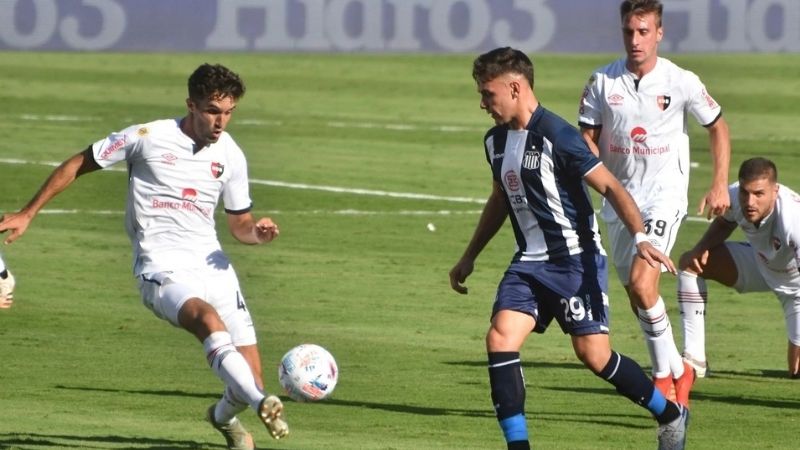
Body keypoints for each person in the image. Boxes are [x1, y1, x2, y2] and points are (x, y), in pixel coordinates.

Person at [0, 63, 288, 450]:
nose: (221, 122)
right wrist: (28, 212)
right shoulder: (147, 137)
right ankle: (262, 405)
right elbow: (79, 163)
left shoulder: (231, 155)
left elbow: (240, 224)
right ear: (191, 104)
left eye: (229, 112)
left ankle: (225, 418)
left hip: (214, 267)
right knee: (208, 321)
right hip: (162, 267)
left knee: (248, 376)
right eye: (212, 111)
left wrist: (258, 233)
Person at [449, 46, 689, 450]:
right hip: (528, 264)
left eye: (487, 94)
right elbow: (500, 198)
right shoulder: (494, 142)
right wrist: (470, 254)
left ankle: (669, 414)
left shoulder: (559, 137)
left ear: (514, 87)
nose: (482, 104)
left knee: (595, 357)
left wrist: (641, 237)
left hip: (575, 262)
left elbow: (611, 186)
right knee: (499, 339)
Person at [577, 0, 732, 394]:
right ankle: (676, 368)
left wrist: (718, 183)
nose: (635, 39)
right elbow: (587, 139)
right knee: (636, 294)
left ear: (659, 33)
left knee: (643, 284)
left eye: (644, 31)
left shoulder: (681, 81)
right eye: (629, 31)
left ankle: (666, 378)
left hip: (664, 196)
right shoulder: (602, 82)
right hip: (618, 201)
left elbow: (718, 127)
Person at [678, 157, 800, 379]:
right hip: (760, 264)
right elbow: (725, 222)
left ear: (775, 191)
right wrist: (701, 248)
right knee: (690, 262)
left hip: (796, 287)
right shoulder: (735, 196)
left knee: (796, 372)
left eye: (759, 194)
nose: (750, 202)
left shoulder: (794, 220)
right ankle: (694, 359)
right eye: (746, 192)